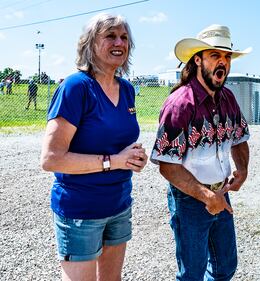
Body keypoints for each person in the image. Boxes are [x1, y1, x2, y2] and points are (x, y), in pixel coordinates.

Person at [40, 13, 148, 281]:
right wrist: (114, 160)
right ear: (90, 43)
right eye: (110, 36)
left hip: (119, 204)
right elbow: (51, 159)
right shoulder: (76, 88)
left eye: (124, 37)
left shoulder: (127, 89)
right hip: (80, 210)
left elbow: (119, 144)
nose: (119, 42)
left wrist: (134, 158)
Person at [150, 24, 251, 281]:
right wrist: (207, 196)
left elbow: (239, 139)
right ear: (198, 60)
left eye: (227, 57)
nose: (223, 62)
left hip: (221, 191)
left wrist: (242, 170)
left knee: (225, 267)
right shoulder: (180, 104)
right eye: (215, 55)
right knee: (192, 273)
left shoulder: (228, 98)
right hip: (190, 198)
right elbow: (167, 164)